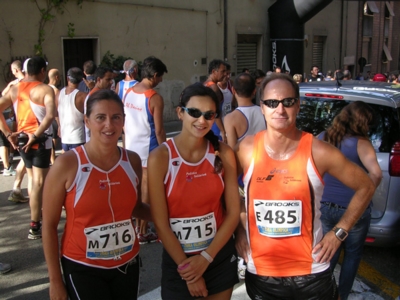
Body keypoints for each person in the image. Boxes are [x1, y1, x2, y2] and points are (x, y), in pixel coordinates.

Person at [234, 73, 375, 299]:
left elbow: (366, 186)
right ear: (262, 107)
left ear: (298, 105)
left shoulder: (319, 151)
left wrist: (339, 233)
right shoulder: (246, 149)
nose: (279, 110)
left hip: (311, 271)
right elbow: (227, 190)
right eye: (272, 103)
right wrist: (239, 229)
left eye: (287, 102)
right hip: (261, 270)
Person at [42, 89, 152, 300]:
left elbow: (136, 207)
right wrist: (55, 281)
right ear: (87, 121)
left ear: (123, 120)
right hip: (83, 265)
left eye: (116, 117)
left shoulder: (133, 161)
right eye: (100, 118)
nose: (109, 125)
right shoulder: (67, 164)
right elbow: (48, 225)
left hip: (127, 263)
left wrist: (174, 215)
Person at [148, 83, 240, 299]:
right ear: (180, 113)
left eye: (209, 115)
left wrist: (206, 258)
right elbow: (161, 224)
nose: (202, 121)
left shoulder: (223, 153)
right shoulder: (160, 157)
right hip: (179, 260)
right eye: (195, 113)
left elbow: (233, 213)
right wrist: (189, 272)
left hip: (217, 255)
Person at [318, 101, 382, 300]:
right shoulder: (361, 143)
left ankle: (324, 294)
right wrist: (362, 194)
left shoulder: (321, 138)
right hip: (353, 212)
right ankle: (341, 296)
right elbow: (376, 174)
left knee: (327, 255)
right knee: (352, 255)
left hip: (325, 207)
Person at [0, 56, 56, 239]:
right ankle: (35, 225)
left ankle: (36, 218)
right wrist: (37, 135)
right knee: (40, 183)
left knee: (33, 180)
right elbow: (49, 116)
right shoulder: (45, 89)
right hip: (39, 140)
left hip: (22, 140)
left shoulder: (14, 89)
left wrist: (9, 134)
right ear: (42, 71)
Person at [123, 56, 167, 244]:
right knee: (147, 189)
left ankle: (136, 227)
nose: (161, 81)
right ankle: (142, 230)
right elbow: (159, 129)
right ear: (155, 75)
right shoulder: (154, 98)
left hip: (131, 147)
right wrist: (166, 150)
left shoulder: (128, 92)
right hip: (148, 149)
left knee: (135, 188)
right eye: (161, 77)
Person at [224, 73, 266, 150]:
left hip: (243, 160)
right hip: (263, 158)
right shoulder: (265, 112)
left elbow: (232, 150)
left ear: (233, 90)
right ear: (254, 91)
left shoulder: (230, 118)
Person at [56, 67, 87, 151]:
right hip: (78, 138)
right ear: (81, 80)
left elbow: (56, 113)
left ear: (67, 78)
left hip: (65, 137)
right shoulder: (82, 96)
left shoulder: (58, 94)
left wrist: (59, 126)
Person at [84, 66, 114, 142]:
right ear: (99, 80)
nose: (111, 82)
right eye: (108, 79)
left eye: (111, 79)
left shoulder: (96, 94)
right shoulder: (97, 97)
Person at [204, 59, 227, 142]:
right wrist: (223, 132)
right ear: (214, 71)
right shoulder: (214, 88)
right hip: (216, 128)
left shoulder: (205, 84)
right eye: (222, 71)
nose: (225, 74)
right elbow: (216, 113)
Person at [48, 69, 61, 165]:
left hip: (45, 118)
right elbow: (58, 109)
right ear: (56, 77)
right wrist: (59, 123)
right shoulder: (56, 91)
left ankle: (52, 161)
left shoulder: (44, 88)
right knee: (53, 141)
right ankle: (53, 162)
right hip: (54, 119)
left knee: (50, 141)